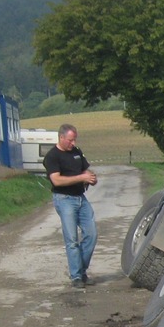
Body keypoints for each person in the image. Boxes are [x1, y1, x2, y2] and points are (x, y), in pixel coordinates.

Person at [43, 123, 98, 288]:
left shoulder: (76, 152)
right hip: (64, 199)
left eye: (74, 140)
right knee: (72, 239)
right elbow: (56, 180)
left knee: (92, 234)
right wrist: (81, 178)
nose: (73, 143)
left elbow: (85, 170)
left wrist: (91, 177)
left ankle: (80, 269)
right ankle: (76, 277)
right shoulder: (52, 156)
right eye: (70, 140)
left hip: (80, 198)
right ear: (61, 137)